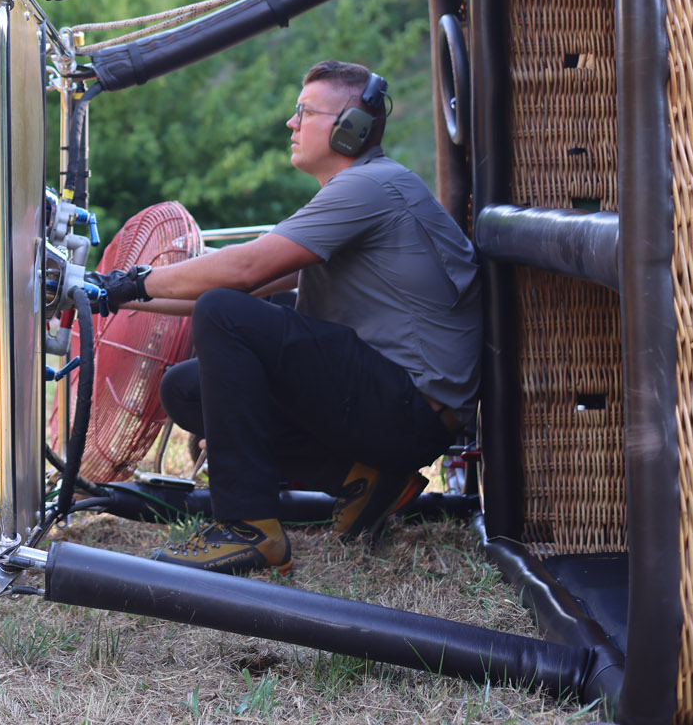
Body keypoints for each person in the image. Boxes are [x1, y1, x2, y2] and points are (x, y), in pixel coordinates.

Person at [86, 60, 481, 575]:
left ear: (351, 127)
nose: (290, 124)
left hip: (413, 410)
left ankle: (248, 528)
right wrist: (110, 295)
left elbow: (243, 271)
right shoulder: (355, 193)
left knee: (225, 314)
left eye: (304, 112)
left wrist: (132, 281)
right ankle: (364, 478)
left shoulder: (370, 187)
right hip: (392, 408)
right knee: (186, 388)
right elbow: (233, 281)